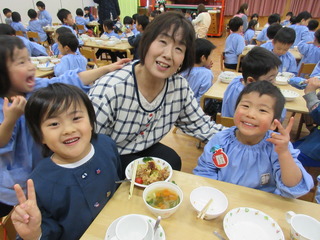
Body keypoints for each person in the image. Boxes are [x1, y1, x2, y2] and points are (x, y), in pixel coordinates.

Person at [0, 35, 128, 217]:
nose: (30, 66)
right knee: (23, 215)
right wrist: (10, 119)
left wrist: (106, 68)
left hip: (45, 167)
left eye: (29, 59)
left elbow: (69, 81)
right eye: (21, 62)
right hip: (14, 182)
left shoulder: (34, 88)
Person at [88, 12, 225, 176]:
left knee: (171, 160)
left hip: (141, 146)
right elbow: (87, 145)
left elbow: (203, 127)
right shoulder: (111, 89)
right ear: (147, 41)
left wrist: (245, 138)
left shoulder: (178, 87)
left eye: (179, 48)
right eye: (162, 41)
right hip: (108, 155)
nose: (168, 54)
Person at [11, 83, 122, 240]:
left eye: (76, 118)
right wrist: (34, 235)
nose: (68, 130)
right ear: (40, 135)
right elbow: (44, 230)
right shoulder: (40, 182)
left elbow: (118, 183)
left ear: (91, 121)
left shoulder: (106, 144)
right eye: (54, 124)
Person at [194, 81, 314, 198]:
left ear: (274, 123)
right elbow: (205, 172)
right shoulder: (220, 140)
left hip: (260, 206)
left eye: (262, 110)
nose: (250, 114)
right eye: (245, 106)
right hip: (221, 198)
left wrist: (283, 153)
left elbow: (294, 187)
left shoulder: (277, 146)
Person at [221, 46, 284, 120]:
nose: (274, 82)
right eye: (270, 80)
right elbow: (278, 117)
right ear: (251, 81)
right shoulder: (254, 96)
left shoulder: (237, 80)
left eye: (275, 77)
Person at [291, 76, 320, 167]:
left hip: (315, 150)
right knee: (287, 148)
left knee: (286, 157)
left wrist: (310, 93)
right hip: (314, 139)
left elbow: (318, 115)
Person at [180, 38, 216, 105]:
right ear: (203, 58)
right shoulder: (207, 73)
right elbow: (204, 97)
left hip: (182, 105)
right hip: (198, 108)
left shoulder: (183, 69)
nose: (211, 58)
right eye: (211, 55)